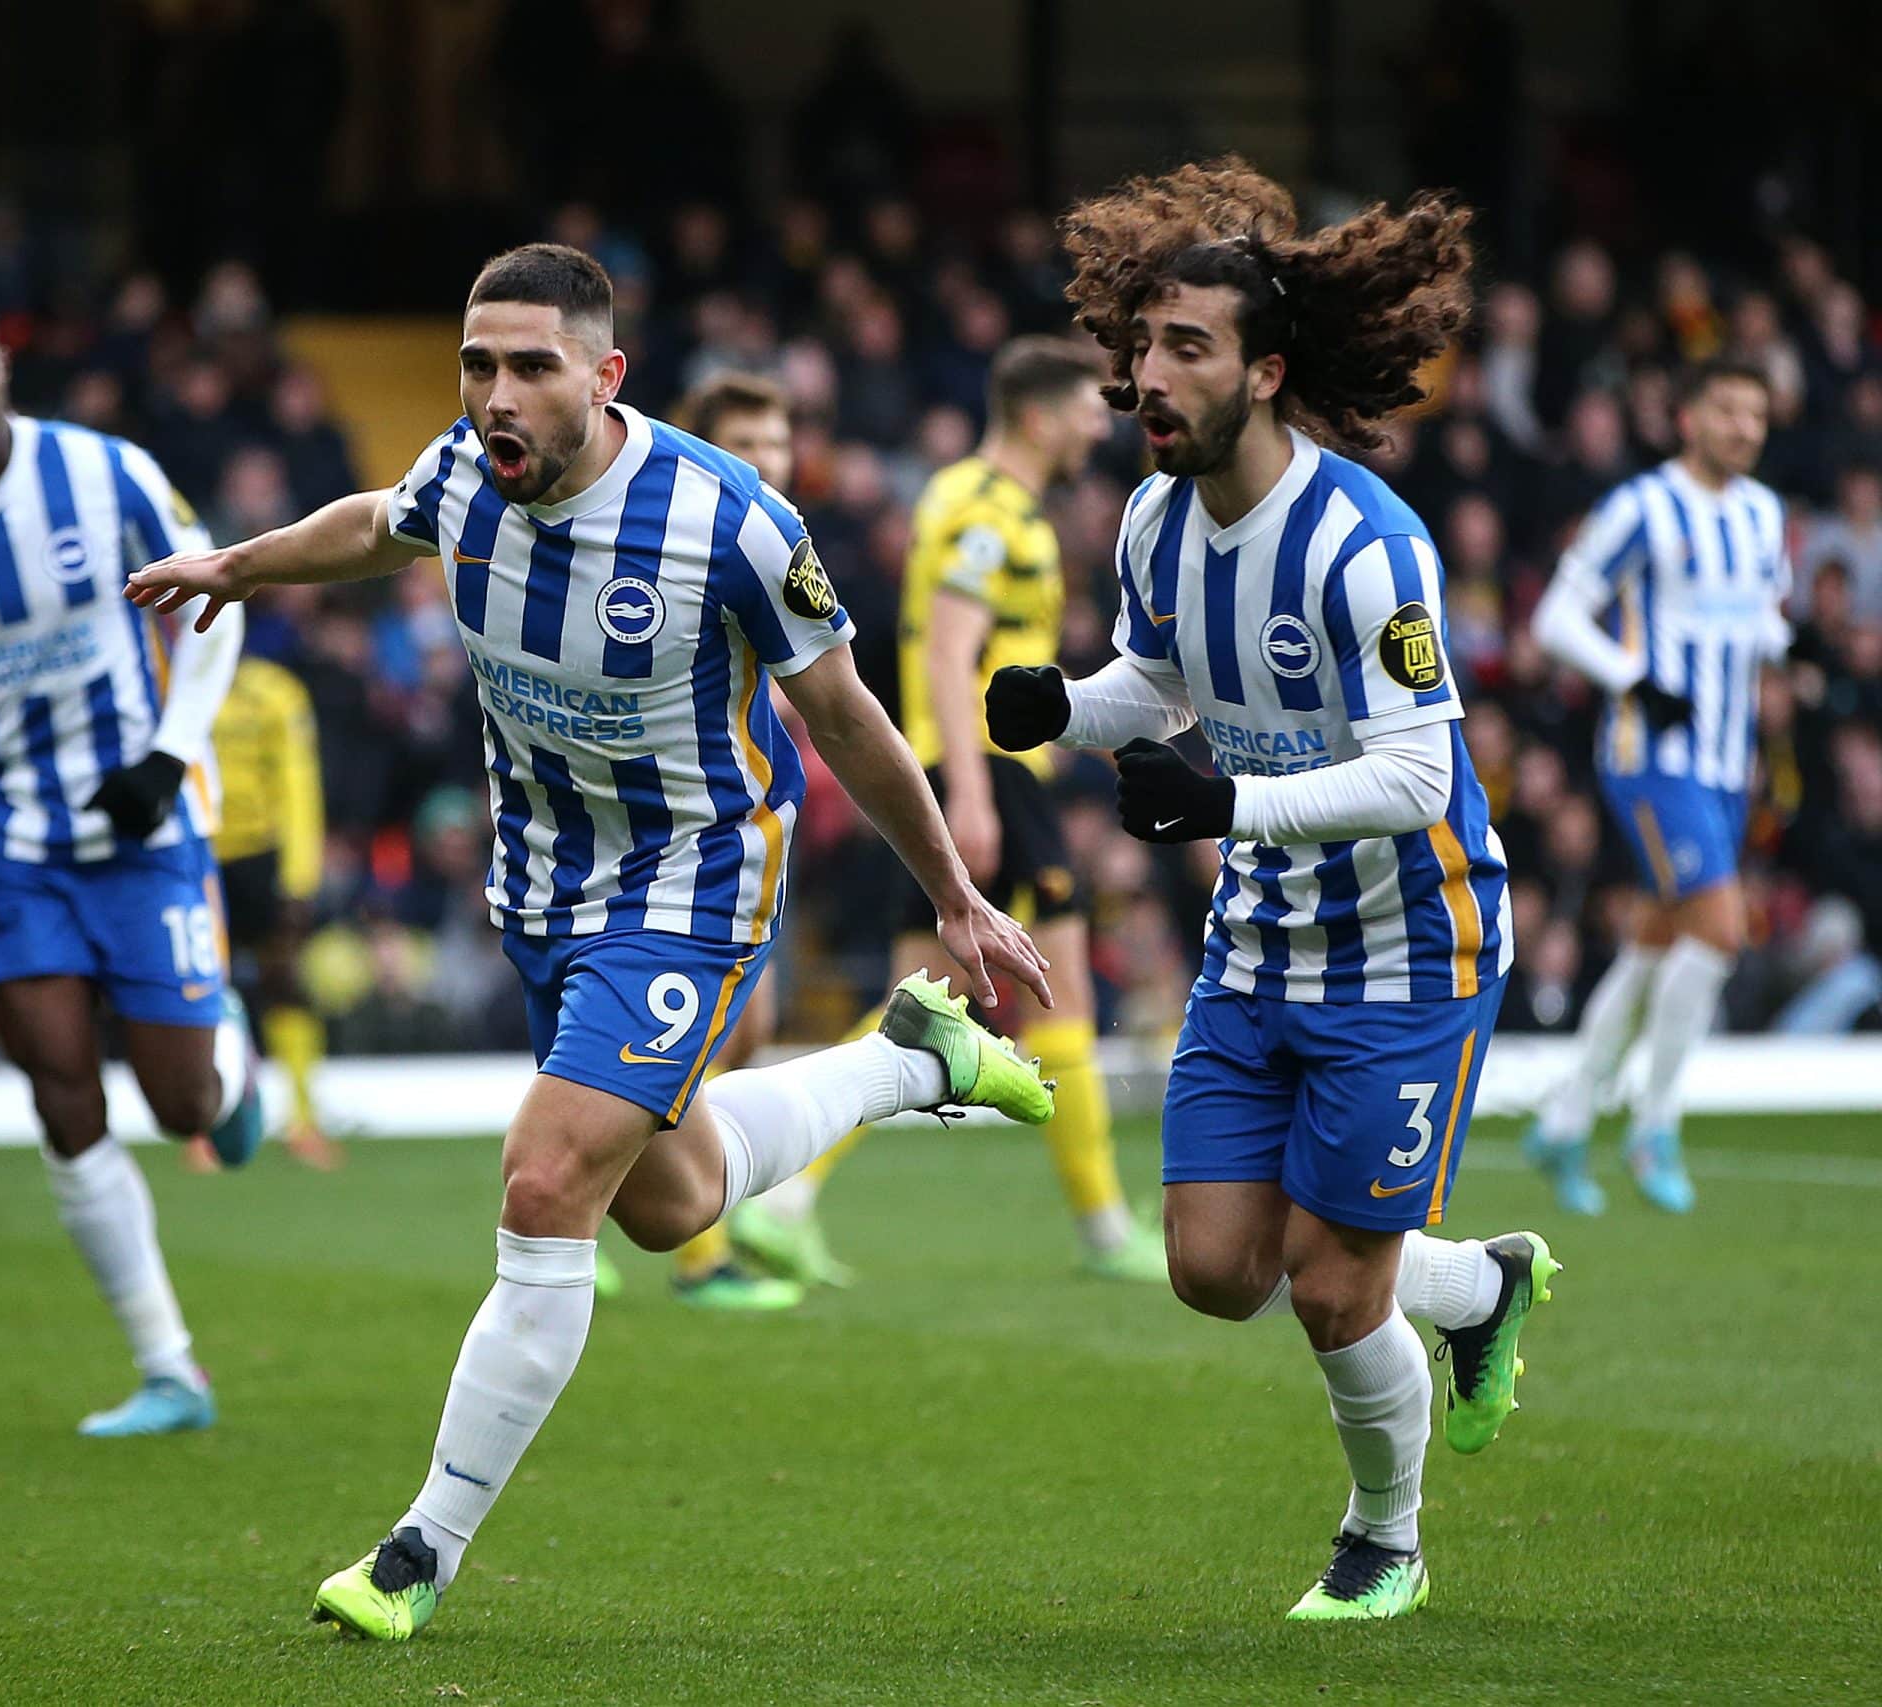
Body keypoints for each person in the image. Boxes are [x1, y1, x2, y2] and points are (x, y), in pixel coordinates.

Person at [127, 243, 1056, 1642]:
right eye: (476, 365)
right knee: (668, 1199)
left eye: (529, 367)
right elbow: (383, 518)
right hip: (546, 883)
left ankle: (418, 1548)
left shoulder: (728, 522)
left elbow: (848, 713)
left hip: (693, 871)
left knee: (547, 1173)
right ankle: (909, 1060)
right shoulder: (464, 471)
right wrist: (240, 568)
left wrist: (955, 888)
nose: (494, 394)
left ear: (605, 375)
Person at [984, 160, 1555, 1620]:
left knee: (1327, 1285)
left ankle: (1386, 1537)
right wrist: (1069, 704)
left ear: (1269, 371)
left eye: (1189, 346)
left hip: (1407, 954)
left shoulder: (1372, 547)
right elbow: (1161, 678)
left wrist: (1228, 800)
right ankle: (1477, 1288)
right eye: (1144, 342)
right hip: (1260, 946)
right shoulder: (1154, 522)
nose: (1149, 373)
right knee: (1215, 1267)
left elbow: (1419, 778)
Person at [0, 280, 262, 1440]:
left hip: (140, 826)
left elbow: (214, 603)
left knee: (184, 1107)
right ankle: (169, 1368)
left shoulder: (106, 474)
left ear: (0, 368)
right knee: (62, 1090)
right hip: (9, 847)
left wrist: (171, 757)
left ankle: (229, 1067)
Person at [750, 337, 1171, 1291]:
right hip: (987, 771)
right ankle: (1105, 1228)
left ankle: (782, 1197)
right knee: (1063, 985)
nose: (1093, 426)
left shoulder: (968, 496)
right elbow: (946, 651)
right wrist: (973, 795)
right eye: (1079, 409)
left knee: (914, 1003)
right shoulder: (990, 510)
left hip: (968, 766)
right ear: (1035, 414)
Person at [1524, 359, 1791, 1214]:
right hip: (1650, 754)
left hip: (1723, 762)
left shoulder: (1761, 514)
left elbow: (1757, 620)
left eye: (1757, 414)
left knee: (1652, 946)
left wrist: (1801, 649)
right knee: (1720, 930)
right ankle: (1655, 1125)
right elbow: (1556, 618)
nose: (1745, 428)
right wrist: (1632, 678)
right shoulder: (1642, 507)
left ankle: (1565, 1119)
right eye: (1727, 409)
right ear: (1688, 418)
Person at [650, 370, 810, 1312]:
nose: (769, 463)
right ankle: (695, 1256)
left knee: (746, 1031)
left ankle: (632, 1215)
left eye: (781, 444)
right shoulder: (685, 536)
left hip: (756, 828)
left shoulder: (777, 545)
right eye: (747, 446)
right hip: (680, 839)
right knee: (690, 1040)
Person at [206, 653, 337, 1167]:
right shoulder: (172, 684)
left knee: (284, 983)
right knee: (202, 991)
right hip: (201, 855)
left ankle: (303, 1120)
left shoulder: (275, 692)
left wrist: (299, 877)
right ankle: (207, 1125)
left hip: (262, 859)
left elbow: (298, 784)